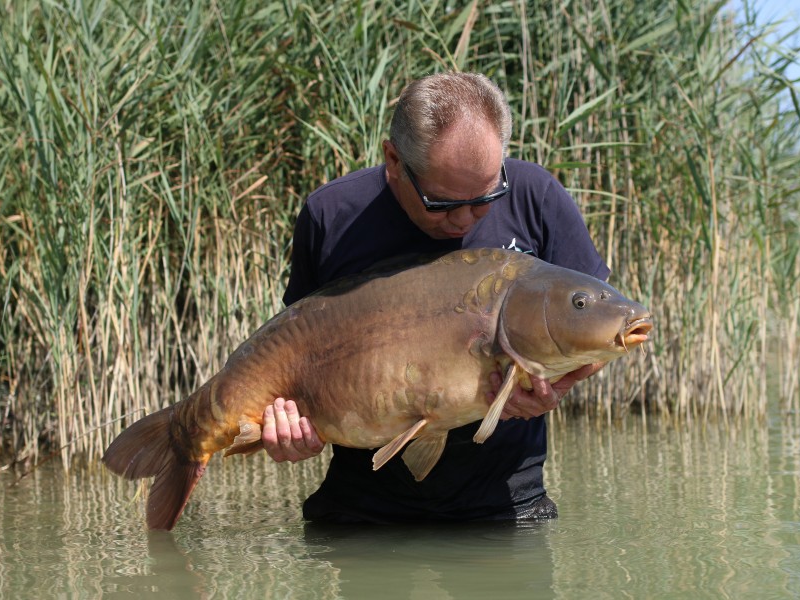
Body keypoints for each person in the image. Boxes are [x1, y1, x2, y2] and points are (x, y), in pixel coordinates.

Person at [260, 72, 609, 523]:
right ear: (393, 160)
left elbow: (598, 330)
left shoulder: (535, 197)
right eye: (442, 203)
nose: (465, 218)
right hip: (362, 508)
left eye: (486, 198)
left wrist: (557, 386)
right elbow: (296, 360)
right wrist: (290, 431)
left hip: (505, 504)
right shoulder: (332, 216)